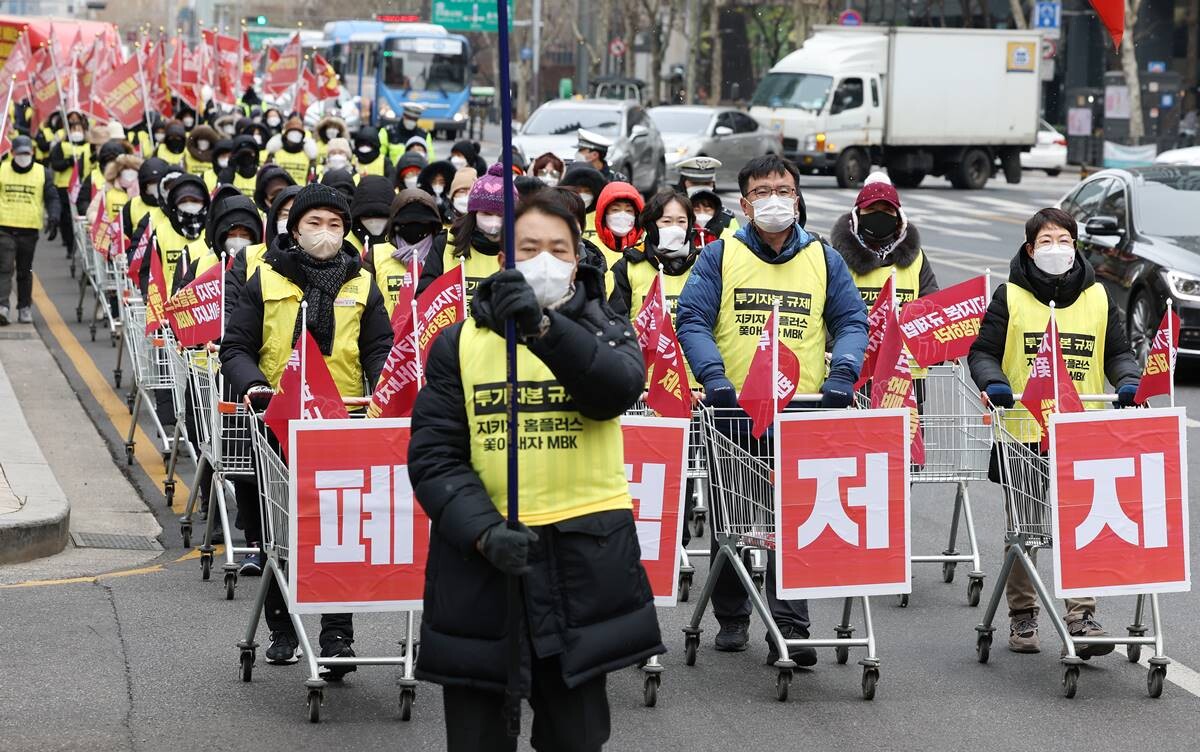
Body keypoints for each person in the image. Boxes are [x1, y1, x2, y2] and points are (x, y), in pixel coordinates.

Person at [408, 189, 663, 752]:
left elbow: (613, 391)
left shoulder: (608, 328)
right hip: (483, 571)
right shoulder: (458, 343)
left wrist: (545, 330)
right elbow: (434, 456)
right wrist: (482, 530)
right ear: (505, 258)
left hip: (583, 568)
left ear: (579, 257)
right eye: (529, 247)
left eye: (559, 247)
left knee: (575, 737)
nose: (545, 260)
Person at [675, 154, 868, 663]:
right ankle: (733, 615)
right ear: (744, 203)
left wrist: (842, 374)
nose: (775, 200)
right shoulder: (719, 256)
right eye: (762, 192)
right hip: (733, 410)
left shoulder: (824, 259)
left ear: (799, 197)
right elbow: (691, 319)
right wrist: (713, 378)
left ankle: (790, 625)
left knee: (793, 519)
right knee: (733, 519)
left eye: (784, 189)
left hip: (802, 409)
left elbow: (851, 321)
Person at [220, 184, 392, 672]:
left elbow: (380, 346)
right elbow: (236, 347)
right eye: (314, 223)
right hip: (280, 423)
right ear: (294, 229)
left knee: (339, 531)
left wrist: (382, 387)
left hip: (343, 424)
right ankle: (281, 627)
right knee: (280, 530)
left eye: (335, 224)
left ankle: (337, 635)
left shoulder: (362, 282)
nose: (325, 233)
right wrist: (254, 386)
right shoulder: (266, 278)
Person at [967, 207, 1140, 656]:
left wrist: (1127, 380)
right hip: (1024, 434)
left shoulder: (1099, 297)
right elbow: (983, 352)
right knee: (1025, 530)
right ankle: (1023, 618)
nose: (1055, 248)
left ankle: (1082, 615)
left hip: (1081, 435)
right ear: (1030, 249)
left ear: (1076, 245)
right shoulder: (1010, 296)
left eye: (1063, 239)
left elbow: (1118, 352)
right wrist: (994, 381)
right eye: (1046, 240)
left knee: (1082, 526)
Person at [830, 172, 937, 306]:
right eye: (871, 209)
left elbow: (931, 306)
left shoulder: (917, 259)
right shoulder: (836, 258)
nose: (879, 216)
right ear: (858, 215)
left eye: (887, 210)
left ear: (898, 217)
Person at [417, 163, 513, 302]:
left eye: (500, 215)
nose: (494, 222)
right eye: (486, 213)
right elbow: (424, 299)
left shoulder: (520, 249)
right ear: (473, 213)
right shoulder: (447, 242)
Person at [0, 136, 60, 325]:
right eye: (20, 153)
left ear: (32, 153)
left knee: (25, 271)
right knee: (5, 268)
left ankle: (24, 307)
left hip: (29, 229)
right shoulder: (2, 170)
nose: (23, 156)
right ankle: (3, 306)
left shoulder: (42, 173)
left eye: (27, 153)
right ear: (12, 153)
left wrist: (54, 217)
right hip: (5, 228)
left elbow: (52, 197)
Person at [366, 187, 445, 317]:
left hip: (432, 333)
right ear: (394, 224)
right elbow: (367, 303)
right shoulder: (376, 255)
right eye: (406, 222)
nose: (414, 226)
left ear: (433, 224)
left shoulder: (441, 253)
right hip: (388, 334)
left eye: (422, 222)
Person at [46, 111, 91, 258]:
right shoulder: (62, 146)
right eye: (73, 129)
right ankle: (69, 245)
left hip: (82, 188)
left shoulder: (89, 147)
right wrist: (68, 162)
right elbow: (55, 164)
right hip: (64, 186)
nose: (76, 132)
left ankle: (85, 249)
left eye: (79, 129)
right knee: (66, 218)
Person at [675, 157, 740, 246]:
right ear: (683, 183)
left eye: (706, 183)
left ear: (713, 184)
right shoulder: (670, 215)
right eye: (695, 183)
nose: (701, 188)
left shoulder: (726, 218)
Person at [591, 181, 645, 273]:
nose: (622, 215)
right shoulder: (591, 248)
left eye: (628, 210)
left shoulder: (645, 247)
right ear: (603, 213)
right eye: (615, 210)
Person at [346, 175, 397, 264]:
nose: (373, 222)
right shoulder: (345, 243)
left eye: (382, 216)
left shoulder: (401, 242)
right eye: (366, 216)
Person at [559, 165, 607, 246]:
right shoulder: (559, 214)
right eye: (577, 190)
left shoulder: (603, 216)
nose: (582, 195)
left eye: (587, 191)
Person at [268, 117, 317, 185]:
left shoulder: (309, 156)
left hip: (301, 192)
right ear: (286, 134)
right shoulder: (275, 154)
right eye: (292, 131)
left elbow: (311, 178)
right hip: (281, 193)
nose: (295, 134)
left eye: (299, 132)